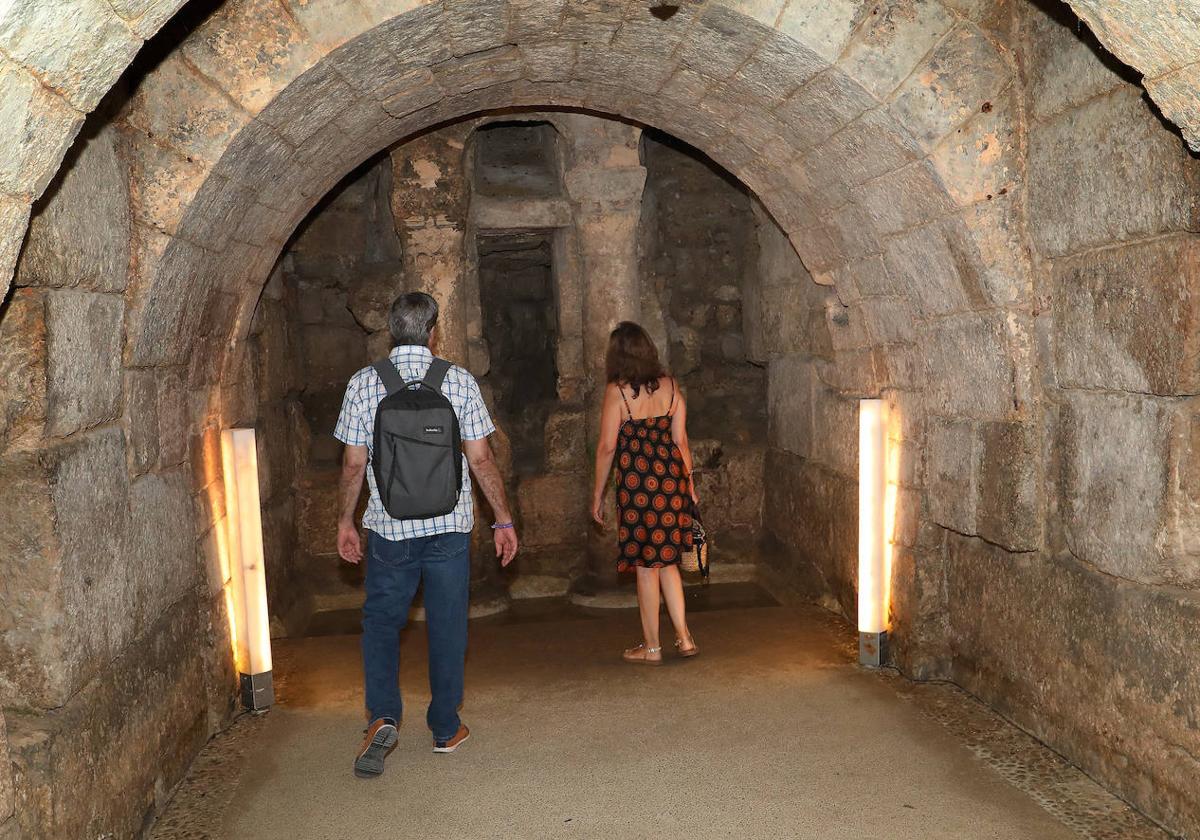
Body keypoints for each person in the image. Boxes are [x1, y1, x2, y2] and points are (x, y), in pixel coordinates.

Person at [334, 291, 518, 779]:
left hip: (390, 530)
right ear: (434, 331)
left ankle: (383, 716)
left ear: (394, 331)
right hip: (448, 530)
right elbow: (480, 459)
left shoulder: (362, 384)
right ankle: (445, 727)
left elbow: (354, 463)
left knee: (380, 623)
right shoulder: (457, 381)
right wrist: (503, 518)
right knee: (448, 626)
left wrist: (345, 521)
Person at [591, 321, 699, 665]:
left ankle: (652, 648)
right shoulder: (670, 386)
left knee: (645, 566)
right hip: (671, 482)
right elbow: (681, 441)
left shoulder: (617, 392)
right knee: (668, 562)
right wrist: (690, 485)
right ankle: (683, 638)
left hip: (638, 486)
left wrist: (597, 494)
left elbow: (607, 446)